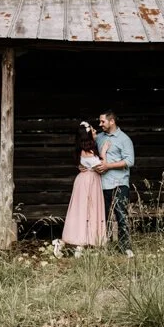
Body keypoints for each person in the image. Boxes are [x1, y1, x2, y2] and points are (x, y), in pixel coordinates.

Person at [53, 121, 107, 258]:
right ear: (88, 135)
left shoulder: (84, 150)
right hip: (88, 182)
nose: (96, 132)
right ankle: (68, 243)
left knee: (86, 212)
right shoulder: (88, 152)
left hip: (86, 180)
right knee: (84, 211)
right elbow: (101, 168)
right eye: (93, 131)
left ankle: (81, 244)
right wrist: (104, 153)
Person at [94, 110, 135, 258]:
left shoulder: (124, 139)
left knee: (121, 216)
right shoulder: (98, 138)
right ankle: (104, 245)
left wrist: (108, 166)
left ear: (112, 121)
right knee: (102, 216)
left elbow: (130, 161)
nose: (100, 124)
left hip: (119, 183)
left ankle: (125, 247)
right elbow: (86, 148)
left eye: (102, 121)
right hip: (101, 184)